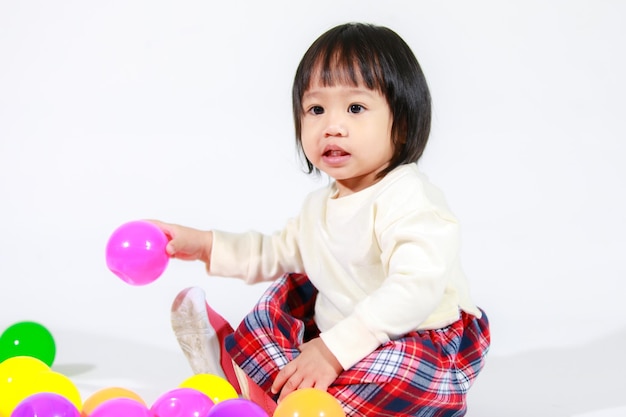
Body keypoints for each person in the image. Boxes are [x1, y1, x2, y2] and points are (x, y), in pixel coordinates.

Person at [154, 22, 490, 416]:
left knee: (400, 370)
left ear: (401, 124)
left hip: (421, 339)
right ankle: (243, 368)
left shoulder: (408, 198)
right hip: (339, 338)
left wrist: (333, 351)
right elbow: (271, 252)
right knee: (285, 295)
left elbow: (415, 291)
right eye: (316, 109)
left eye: (355, 108)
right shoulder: (319, 207)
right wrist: (207, 244)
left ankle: (299, 401)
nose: (332, 126)